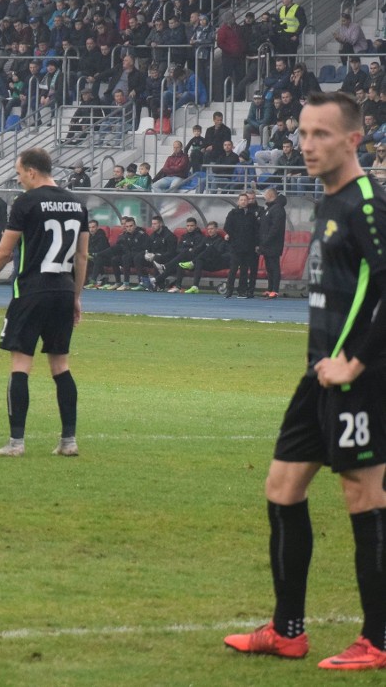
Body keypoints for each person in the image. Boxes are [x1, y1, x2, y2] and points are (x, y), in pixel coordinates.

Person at [224, 91, 386, 671]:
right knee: (282, 487)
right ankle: (287, 630)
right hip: (317, 375)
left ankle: (379, 640)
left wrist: (356, 364)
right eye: (303, 134)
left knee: (363, 496)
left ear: (353, 139)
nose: (307, 145)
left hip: (359, 378)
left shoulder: (368, 203)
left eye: (321, 134)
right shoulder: (328, 202)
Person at [0, 147, 88, 457]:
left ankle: (16, 443)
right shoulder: (78, 204)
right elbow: (81, 255)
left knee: (21, 364)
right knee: (61, 365)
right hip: (64, 291)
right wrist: (76, 296)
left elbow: (4, 250)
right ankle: (68, 441)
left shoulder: (25, 203)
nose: (20, 179)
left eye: (20, 173)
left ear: (32, 172)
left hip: (31, 291)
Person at [223, 192, 259, 298]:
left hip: (248, 247)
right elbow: (227, 227)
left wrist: (255, 243)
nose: (243, 202)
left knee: (244, 270)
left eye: (245, 200)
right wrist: (235, 237)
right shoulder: (232, 213)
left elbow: (255, 230)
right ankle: (229, 290)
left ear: (248, 201)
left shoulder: (252, 215)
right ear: (238, 201)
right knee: (233, 269)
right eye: (241, 200)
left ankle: (241, 290)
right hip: (236, 246)